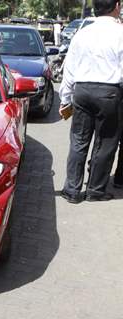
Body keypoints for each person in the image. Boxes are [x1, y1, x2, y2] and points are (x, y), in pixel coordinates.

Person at [59, 0, 123, 203]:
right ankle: (95, 191)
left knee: (78, 141)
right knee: (105, 143)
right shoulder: (121, 33)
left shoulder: (83, 33)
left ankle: (72, 190)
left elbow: (69, 68)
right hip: (110, 93)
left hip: (82, 90)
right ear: (117, 6)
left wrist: (65, 97)